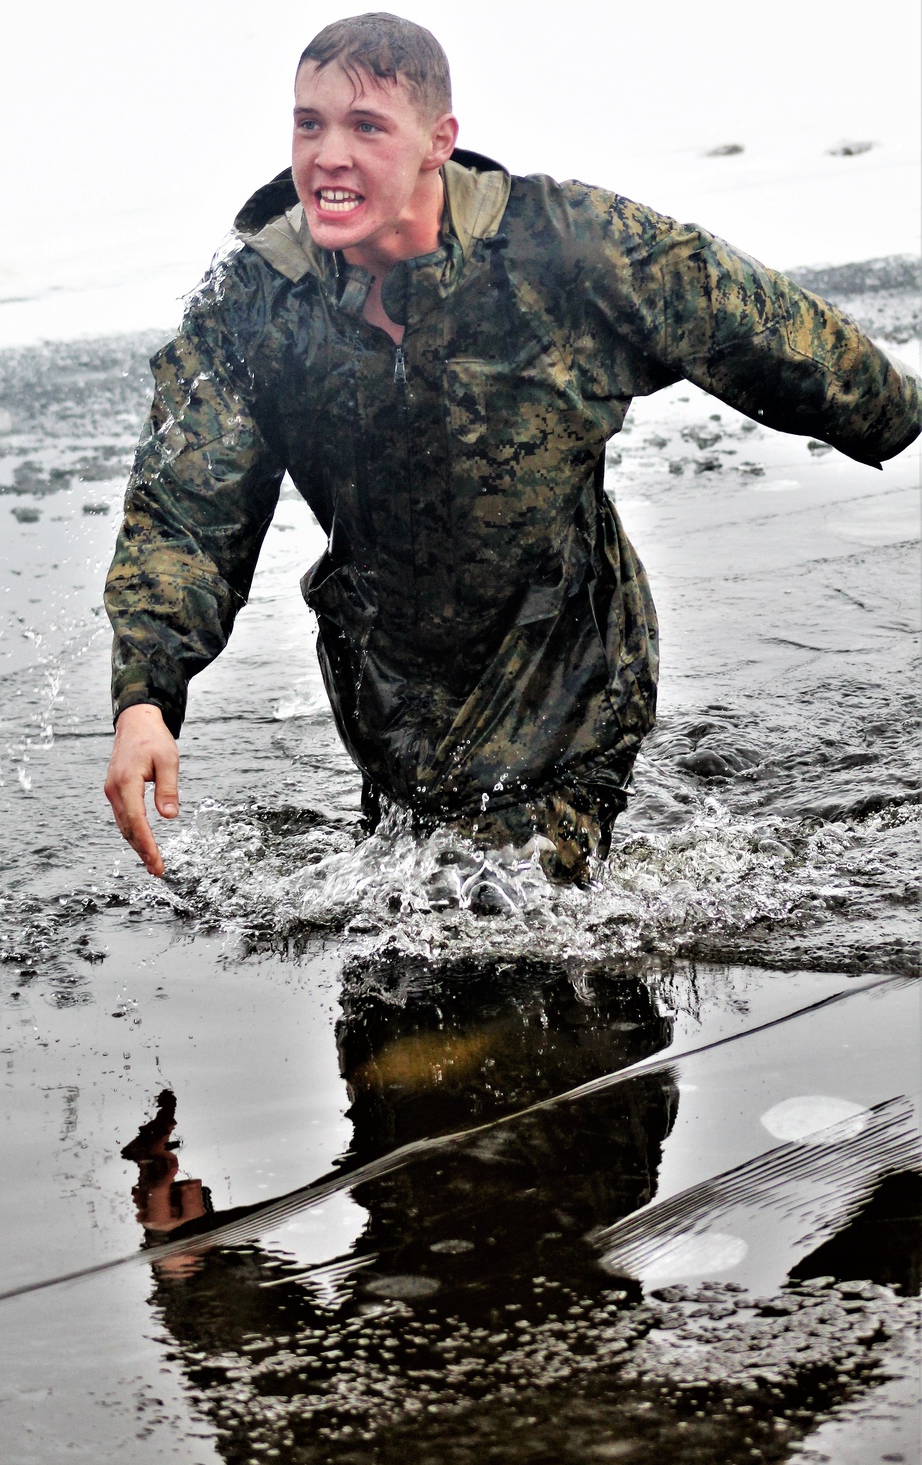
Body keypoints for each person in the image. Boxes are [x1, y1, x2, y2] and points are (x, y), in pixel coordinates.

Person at [103, 12, 921, 889]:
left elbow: (750, 319)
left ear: (436, 142)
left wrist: (894, 415)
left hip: (569, 684)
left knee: (491, 926)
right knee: (398, 943)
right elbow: (187, 506)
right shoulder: (257, 301)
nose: (327, 155)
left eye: (365, 126)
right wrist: (146, 695)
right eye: (310, 124)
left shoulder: (556, 248)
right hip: (393, 716)